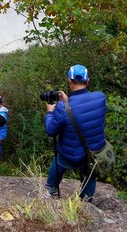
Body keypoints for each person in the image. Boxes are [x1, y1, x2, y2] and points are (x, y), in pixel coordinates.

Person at [44, 64, 107, 202]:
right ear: (87, 81)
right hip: (93, 153)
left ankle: (51, 189)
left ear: (69, 81)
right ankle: (86, 203)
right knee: (89, 174)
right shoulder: (100, 98)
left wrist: (50, 112)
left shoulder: (62, 108)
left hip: (70, 155)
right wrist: (67, 102)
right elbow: (85, 112)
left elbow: (50, 131)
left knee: (59, 161)